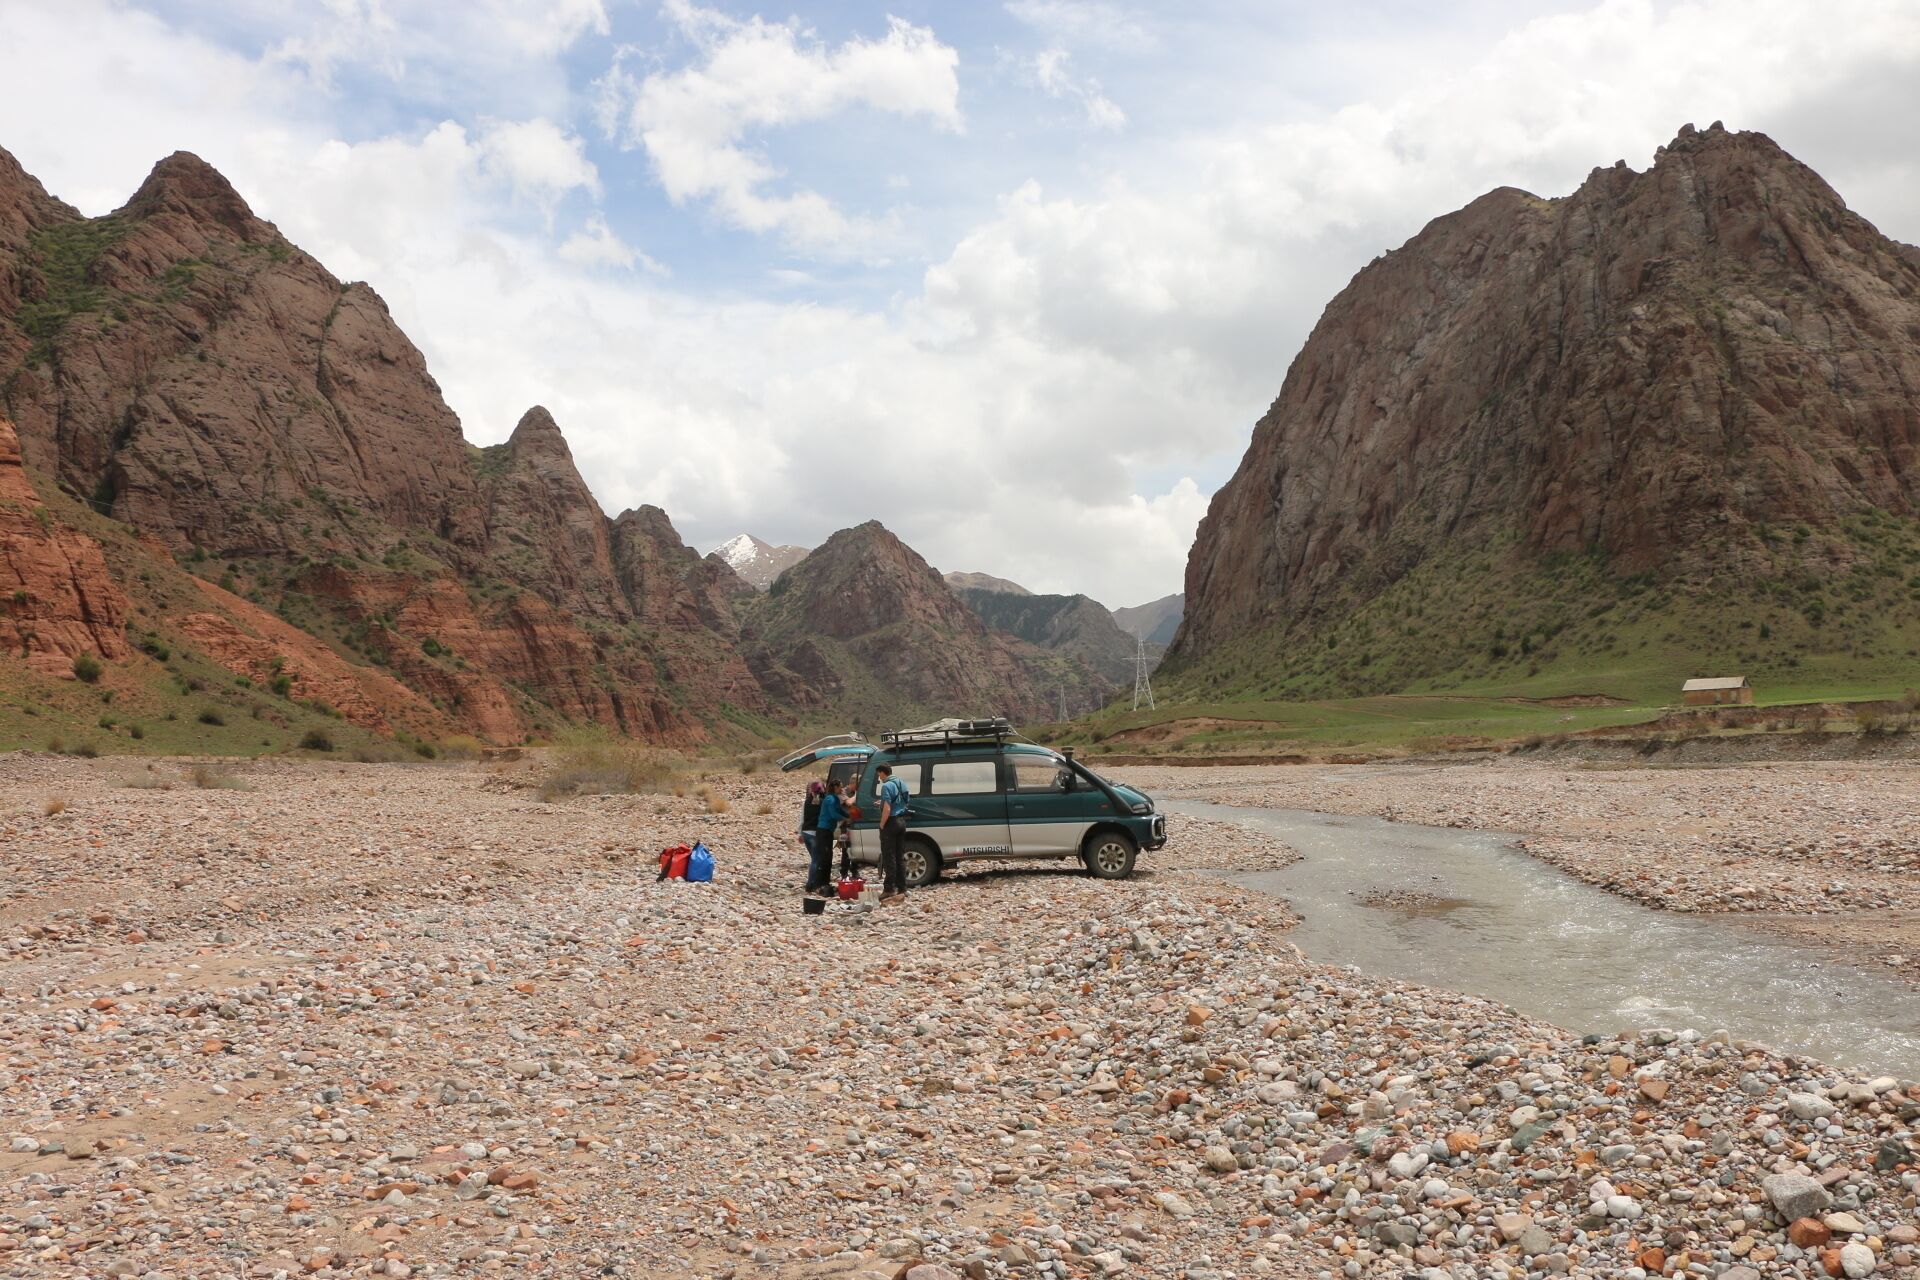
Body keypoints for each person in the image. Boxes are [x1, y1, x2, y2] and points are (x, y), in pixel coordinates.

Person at [874, 762, 912, 903]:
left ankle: (889, 889)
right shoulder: (901, 782)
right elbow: (906, 801)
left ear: (883, 773)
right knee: (899, 856)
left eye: (879, 775)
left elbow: (888, 809)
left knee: (889, 857)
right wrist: (883, 803)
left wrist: (882, 824)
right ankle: (902, 888)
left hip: (891, 822)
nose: (879, 778)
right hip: (902, 822)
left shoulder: (886, 786)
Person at [810, 778, 848, 898]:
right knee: (825, 858)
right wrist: (846, 819)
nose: (842, 789)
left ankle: (824, 882)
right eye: (840, 787)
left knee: (828, 857)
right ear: (835, 787)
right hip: (824, 831)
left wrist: (849, 815)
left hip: (828, 831)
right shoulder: (830, 799)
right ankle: (820, 883)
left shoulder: (835, 799)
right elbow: (833, 814)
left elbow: (840, 810)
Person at [799, 780, 825, 893]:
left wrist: (800, 833)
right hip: (815, 834)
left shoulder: (806, 802)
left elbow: (802, 818)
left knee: (814, 859)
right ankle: (810, 884)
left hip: (806, 833)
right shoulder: (823, 802)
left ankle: (814, 881)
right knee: (816, 860)